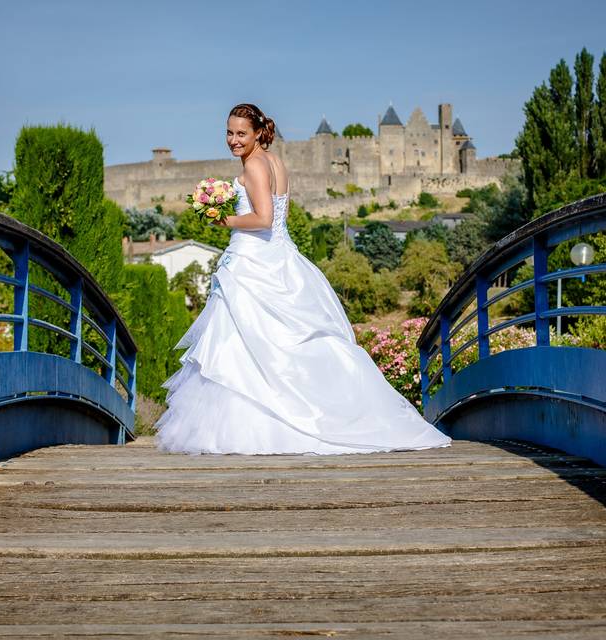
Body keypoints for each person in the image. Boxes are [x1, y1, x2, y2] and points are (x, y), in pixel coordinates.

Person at [154, 103, 451, 455]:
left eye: (240, 133)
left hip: (253, 261)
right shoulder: (276, 162)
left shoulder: (253, 164)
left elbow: (263, 219)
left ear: (256, 133)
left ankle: (254, 430)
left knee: (244, 341)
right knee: (271, 342)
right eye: (229, 133)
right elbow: (280, 217)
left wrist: (224, 221)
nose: (233, 140)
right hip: (280, 255)